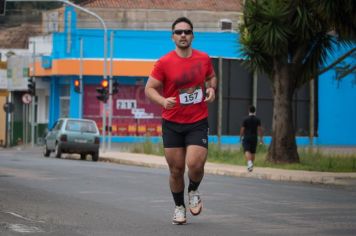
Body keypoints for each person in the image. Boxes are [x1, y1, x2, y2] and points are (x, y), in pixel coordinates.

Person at [145, 17, 217, 225]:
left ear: (193, 35)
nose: (183, 35)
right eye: (178, 32)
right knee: (176, 170)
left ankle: (193, 190)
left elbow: (211, 77)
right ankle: (179, 207)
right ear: (172, 37)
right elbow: (149, 88)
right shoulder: (164, 62)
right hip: (172, 122)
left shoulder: (203, 59)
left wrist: (212, 88)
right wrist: (162, 100)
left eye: (187, 32)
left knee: (195, 164)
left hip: (197, 120)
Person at [240, 105, 263, 172]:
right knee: (253, 152)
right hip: (254, 137)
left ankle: (249, 163)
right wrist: (261, 138)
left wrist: (240, 137)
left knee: (246, 150)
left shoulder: (245, 119)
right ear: (254, 111)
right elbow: (259, 129)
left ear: (249, 110)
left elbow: (242, 129)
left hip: (247, 137)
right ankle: (251, 165)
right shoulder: (257, 119)